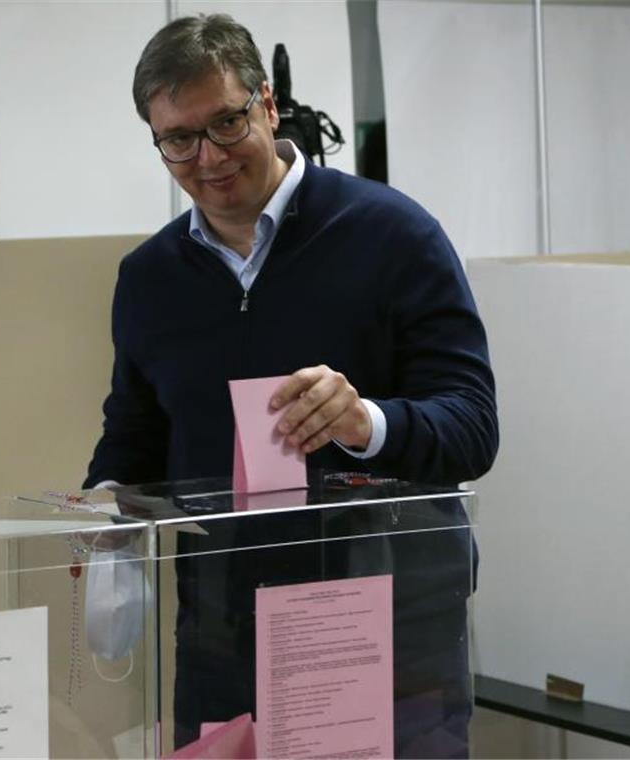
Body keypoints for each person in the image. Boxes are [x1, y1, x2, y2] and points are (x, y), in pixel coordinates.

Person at [83, 13, 498, 756]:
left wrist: (365, 420)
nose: (207, 157)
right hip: (222, 631)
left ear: (267, 106)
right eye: (178, 139)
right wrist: (101, 511)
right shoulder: (149, 279)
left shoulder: (394, 235)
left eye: (227, 123)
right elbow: (135, 435)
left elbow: (471, 425)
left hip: (380, 622)